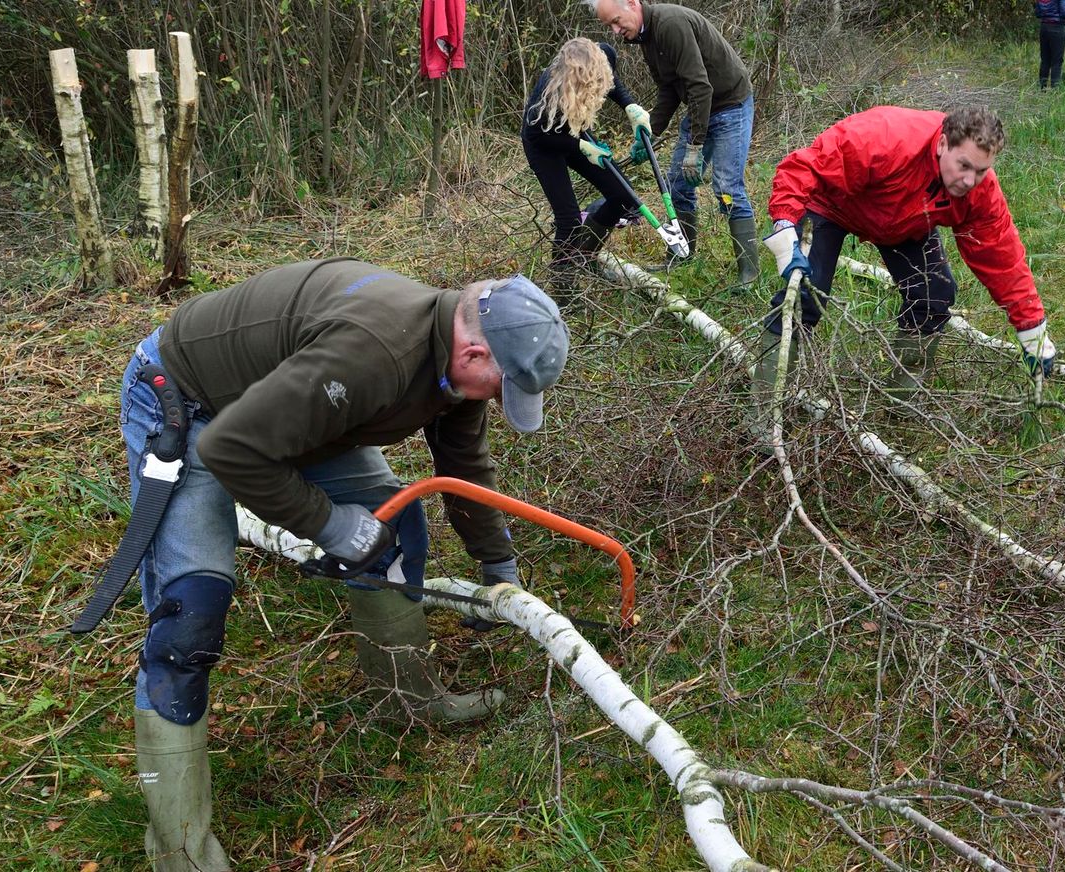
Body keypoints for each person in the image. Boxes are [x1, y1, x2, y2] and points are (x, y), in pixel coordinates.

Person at [110, 259, 568, 871]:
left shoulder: (454, 370)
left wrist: (499, 564)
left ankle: (408, 696)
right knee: (189, 613)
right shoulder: (374, 354)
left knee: (394, 527)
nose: (495, 399)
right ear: (477, 352)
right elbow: (232, 447)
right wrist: (328, 524)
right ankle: (179, 848)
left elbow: (462, 469)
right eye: (501, 385)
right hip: (186, 403)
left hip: (286, 414)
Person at [757, 105, 1058, 425]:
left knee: (934, 296)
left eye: (981, 171)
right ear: (943, 144)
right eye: (964, 165)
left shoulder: (979, 190)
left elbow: (1002, 257)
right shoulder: (885, 139)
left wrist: (1032, 331)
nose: (970, 180)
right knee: (807, 294)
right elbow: (805, 168)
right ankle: (765, 414)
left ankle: (901, 404)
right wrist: (784, 227)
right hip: (832, 205)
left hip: (906, 221)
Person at [590, 0, 763, 285]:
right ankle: (683, 254)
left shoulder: (670, 25)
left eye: (617, 21)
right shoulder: (646, 37)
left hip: (730, 105)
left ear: (632, 4)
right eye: (609, 25)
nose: (615, 30)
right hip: (700, 107)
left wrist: (695, 147)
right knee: (679, 185)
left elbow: (700, 86)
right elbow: (669, 90)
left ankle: (749, 272)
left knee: (727, 187)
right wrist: (649, 134)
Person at [523, 38, 653, 295]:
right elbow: (537, 134)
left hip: (575, 132)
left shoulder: (602, 55)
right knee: (569, 220)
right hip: (545, 142)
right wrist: (581, 148)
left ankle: (586, 256)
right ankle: (564, 291)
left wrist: (630, 105)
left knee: (623, 196)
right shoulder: (549, 92)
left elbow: (610, 82)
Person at [1034, 0, 1065, 89]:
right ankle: (1055, 89)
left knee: (1045, 60)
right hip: (1058, 27)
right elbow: (1064, 12)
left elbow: (1038, 13)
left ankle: (1042, 87)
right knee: (1057, 61)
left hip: (1044, 27)